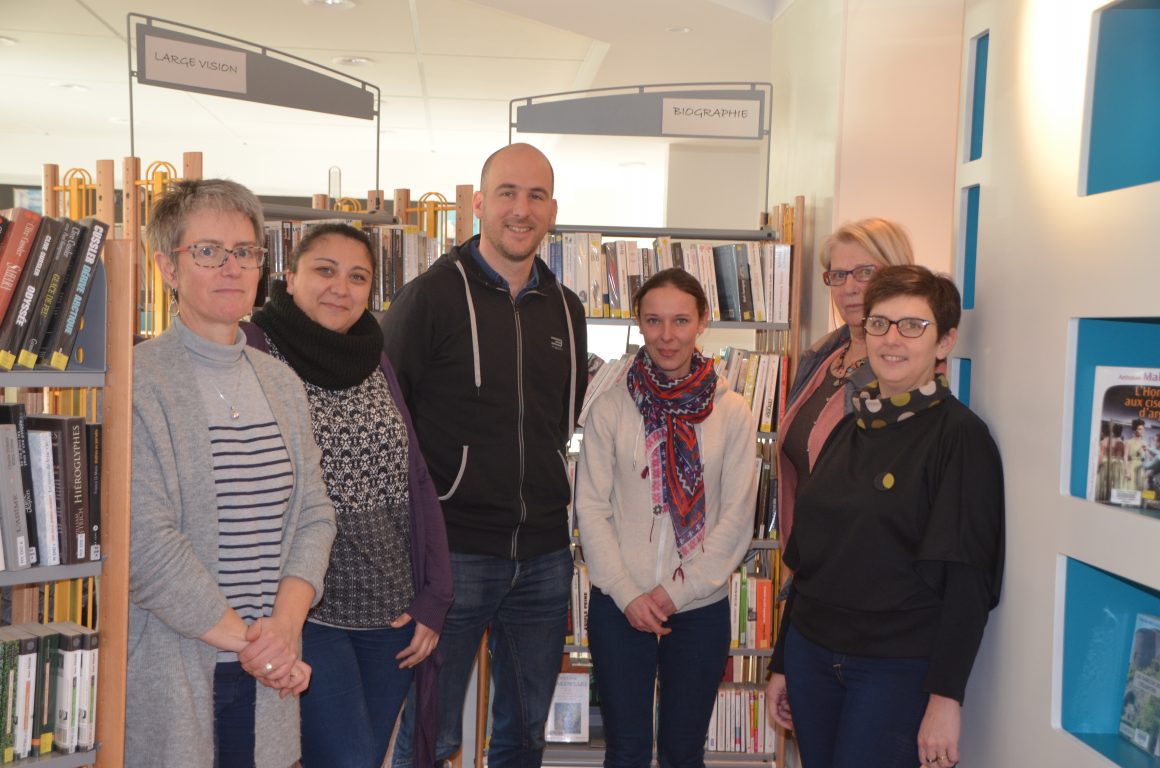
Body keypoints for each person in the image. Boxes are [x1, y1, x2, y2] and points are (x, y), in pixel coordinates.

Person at [381, 143, 588, 768]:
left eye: (535, 196)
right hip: (453, 555)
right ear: (478, 203)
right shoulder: (429, 297)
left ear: (553, 210)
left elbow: (562, 418)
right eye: (507, 193)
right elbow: (388, 417)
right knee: (431, 734)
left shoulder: (567, 307)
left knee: (524, 736)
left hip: (544, 556)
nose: (521, 209)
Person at [128, 179, 337, 768]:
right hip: (180, 665)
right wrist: (257, 646)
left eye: (244, 251)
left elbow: (315, 514)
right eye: (207, 251)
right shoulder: (138, 382)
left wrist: (285, 628)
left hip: (268, 668)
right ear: (168, 268)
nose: (231, 267)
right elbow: (145, 543)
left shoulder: (281, 382)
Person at [765, 265, 1005, 768]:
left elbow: (969, 581)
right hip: (812, 656)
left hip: (894, 671)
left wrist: (946, 698)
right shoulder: (849, 427)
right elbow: (809, 561)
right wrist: (783, 663)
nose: (892, 339)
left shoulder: (960, 438)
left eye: (912, 325)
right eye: (879, 323)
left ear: (944, 342)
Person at [241, 223, 453, 768]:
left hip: (390, 615)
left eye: (357, 277)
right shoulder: (254, 350)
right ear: (290, 276)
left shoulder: (374, 357)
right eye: (325, 270)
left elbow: (416, 479)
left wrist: (434, 597)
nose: (341, 287)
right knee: (348, 759)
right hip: (307, 610)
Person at [575, 268, 758, 768]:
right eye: (654, 321)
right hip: (621, 606)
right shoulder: (610, 408)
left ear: (703, 321)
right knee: (626, 751)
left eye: (680, 320)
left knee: (682, 752)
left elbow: (737, 519)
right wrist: (628, 593)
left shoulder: (732, 412)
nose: (667, 335)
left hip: (699, 607)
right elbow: (591, 508)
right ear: (639, 323)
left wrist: (676, 592)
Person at [776, 218, 914, 542]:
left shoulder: (909, 372)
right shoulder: (819, 359)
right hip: (807, 558)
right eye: (838, 275)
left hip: (863, 559)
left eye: (864, 272)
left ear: (897, 275)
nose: (849, 288)